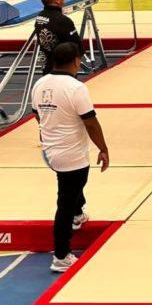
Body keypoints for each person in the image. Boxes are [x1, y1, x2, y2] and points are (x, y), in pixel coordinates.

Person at [31, 42, 110, 273]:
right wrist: (103, 148)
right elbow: (91, 123)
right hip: (72, 155)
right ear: (76, 61)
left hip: (50, 152)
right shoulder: (76, 88)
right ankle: (61, 256)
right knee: (65, 201)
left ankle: (78, 214)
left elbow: (37, 114)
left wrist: (51, 129)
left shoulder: (39, 84)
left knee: (71, 187)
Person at [34, 0, 85, 75]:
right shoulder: (63, 21)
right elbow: (78, 48)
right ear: (57, 0)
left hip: (47, 68)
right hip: (64, 70)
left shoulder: (39, 17)